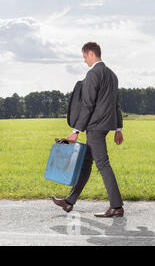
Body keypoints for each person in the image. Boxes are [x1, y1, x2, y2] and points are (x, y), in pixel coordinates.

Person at [52, 42, 125, 218]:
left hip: (95, 126)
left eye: (85, 57)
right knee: (86, 163)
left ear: (91, 54)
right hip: (106, 125)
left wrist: (76, 130)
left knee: (103, 164)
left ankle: (116, 206)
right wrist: (118, 128)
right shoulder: (112, 75)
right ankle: (69, 202)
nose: (85, 61)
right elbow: (116, 104)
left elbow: (88, 104)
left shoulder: (93, 74)